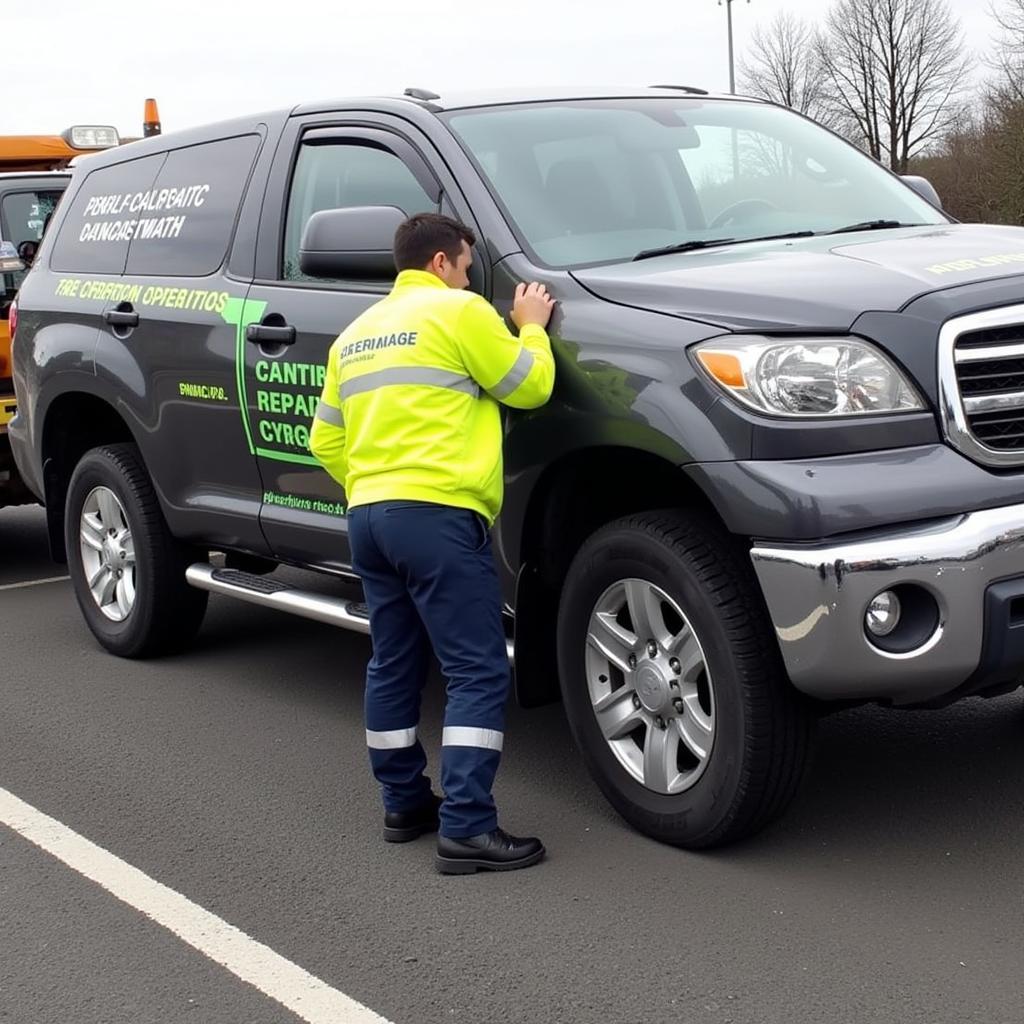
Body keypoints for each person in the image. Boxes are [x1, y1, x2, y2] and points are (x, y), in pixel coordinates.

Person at [309, 212, 555, 874]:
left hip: (369, 518)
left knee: (393, 663)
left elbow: (323, 441)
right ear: (443, 263)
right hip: (439, 517)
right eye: (468, 265)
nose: (470, 275)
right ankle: (468, 828)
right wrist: (531, 326)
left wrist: (377, 483)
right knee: (476, 668)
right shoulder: (458, 311)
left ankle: (404, 804)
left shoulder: (354, 337)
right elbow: (528, 386)